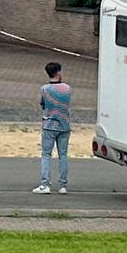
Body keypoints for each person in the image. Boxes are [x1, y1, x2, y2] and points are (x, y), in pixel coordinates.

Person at [34, 62, 72, 194]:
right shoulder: (67, 89)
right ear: (59, 72)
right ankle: (62, 185)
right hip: (64, 125)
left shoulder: (45, 89)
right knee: (63, 155)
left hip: (49, 125)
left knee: (46, 154)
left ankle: (45, 184)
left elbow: (42, 104)